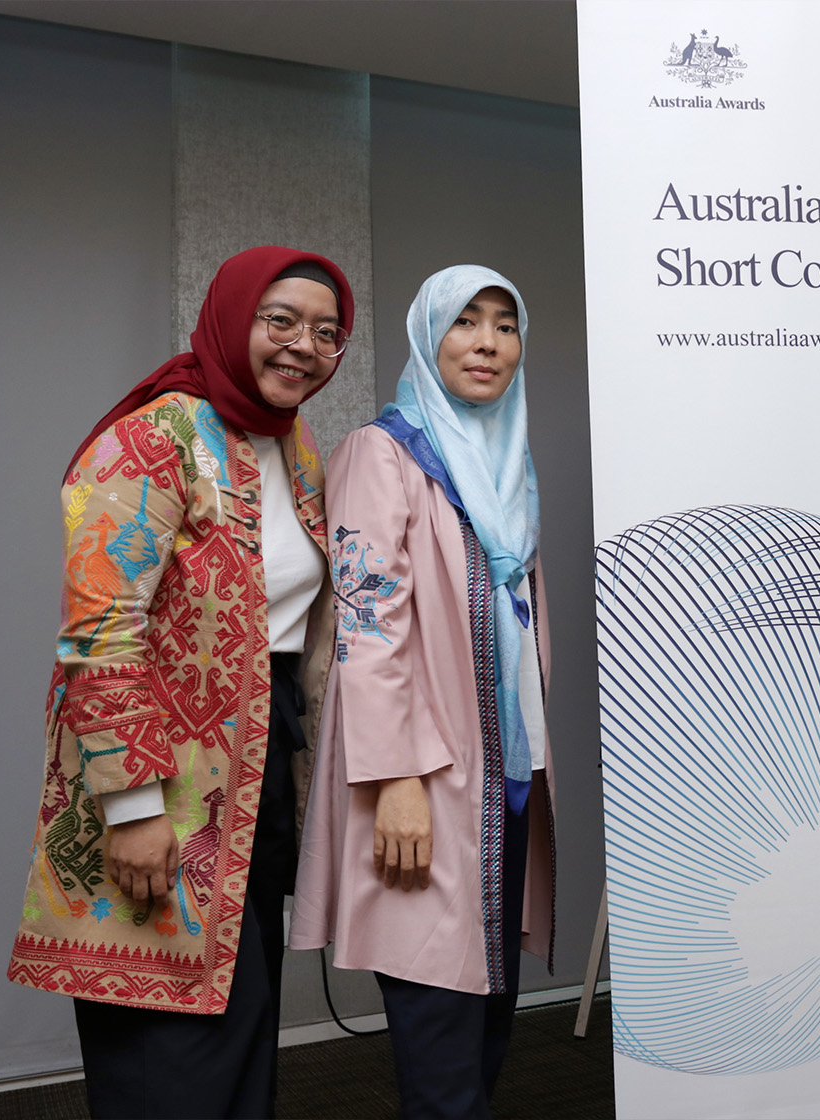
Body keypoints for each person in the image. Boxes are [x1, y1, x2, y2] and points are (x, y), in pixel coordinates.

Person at [7, 246, 353, 1117]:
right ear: (233, 320)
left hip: (259, 771)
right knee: (168, 1062)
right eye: (281, 322)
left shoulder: (294, 449)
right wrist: (133, 810)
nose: (303, 347)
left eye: (327, 332)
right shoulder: (150, 437)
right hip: (160, 782)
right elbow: (99, 636)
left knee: (238, 1043)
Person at [290, 265, 556, 1119]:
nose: (487, 343)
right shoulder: (384, 453)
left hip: (504, 785)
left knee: (486, 1034)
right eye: (465, 323)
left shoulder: (506, 463)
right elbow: (368, 628)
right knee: (441, 1049)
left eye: (504, 326)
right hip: (423, 784)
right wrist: (394, 779)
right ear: (427, 337)